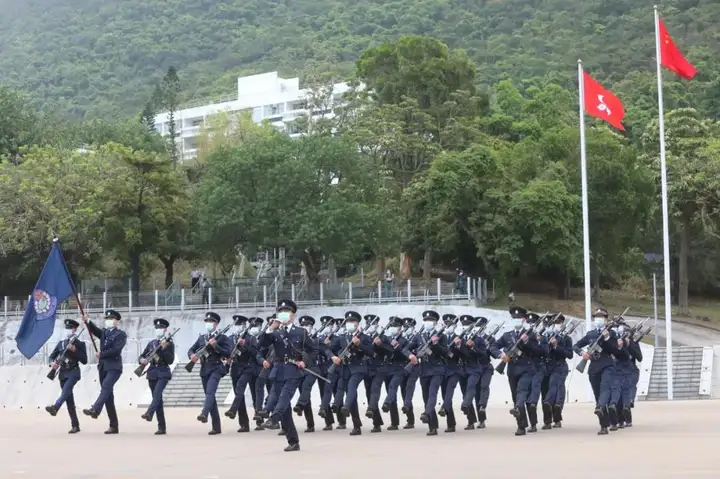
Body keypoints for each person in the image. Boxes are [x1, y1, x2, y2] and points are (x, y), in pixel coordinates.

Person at [259, 300, 318, 452]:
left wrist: (304, 361)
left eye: (287, 312)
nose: (284, 314)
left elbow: (312, 350)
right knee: (284, 407)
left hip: (293, 370)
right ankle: (293, 441)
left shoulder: (301, 332)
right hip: (278, 369)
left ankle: (273, 419)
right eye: (281, 312)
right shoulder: (276, 332)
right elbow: (262, 343)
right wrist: (270, 328)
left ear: (293, 315)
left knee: (284, 397)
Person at [489, 307, 538, 436]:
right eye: (514, 318)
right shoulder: (507, 336)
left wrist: (527, 341)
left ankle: (518, 413)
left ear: (524, 320)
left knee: (522, 391)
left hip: (527, 369)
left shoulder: (531, 334)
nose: (516, 320)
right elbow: (493, 346)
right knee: (515, 396)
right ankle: (521, 425)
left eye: (519, 318)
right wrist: (500, 355)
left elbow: (539, 350)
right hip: (512, 370)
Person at [573, 308, 621, 435]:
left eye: (601, 317)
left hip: (607, 365)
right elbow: (576, 345)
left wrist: (607, 338)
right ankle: (603, 425)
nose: (598, 320)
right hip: (593, 366)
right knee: (598, 394)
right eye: (596, 317)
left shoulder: (612, 334)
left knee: (605, 389)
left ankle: (600, 408)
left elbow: (615, 351)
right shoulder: (590, 334)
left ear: (606, 320)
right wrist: (582, 353)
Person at [326, 310, 375, 436]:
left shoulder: (364, 337)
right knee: (350, 395)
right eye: (347, 321)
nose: (349, 323)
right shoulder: (342, 338)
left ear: (357, 324)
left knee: (352, 387)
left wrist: (359, 345)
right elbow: (329, 349)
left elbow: (371, 352)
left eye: (352, 321)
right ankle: (356, 425)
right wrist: (333, 357)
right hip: (345, 368)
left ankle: (345, 407)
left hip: (359, 368)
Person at [402, 310, 448, 436]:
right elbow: (405, 349)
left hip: (437, 369)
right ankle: (432, 426)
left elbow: (445, 353)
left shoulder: (441, 336)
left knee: (432, 394)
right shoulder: (419, 336)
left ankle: (426, 414)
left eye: (431, 320)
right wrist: (411, 355)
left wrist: (436, 344)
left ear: (435, 322)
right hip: (424, 370)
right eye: (426, 320)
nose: (428, 322)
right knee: (426, 397)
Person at [82, 309, 127, 434]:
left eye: (111, 319)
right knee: (108, 396)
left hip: (114, 367)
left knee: (106, 387)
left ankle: (95, 409)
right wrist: (88, 321)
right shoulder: (104, 333)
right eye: (107, 319)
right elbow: (95, 330)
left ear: (117, 321)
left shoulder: (120, 334)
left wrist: (102, 354)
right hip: (103, 367)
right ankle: (114, 426)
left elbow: (116, 350)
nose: (108, 321)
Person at [188, 312, 233, 434]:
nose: (209, 324)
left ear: (216, 324)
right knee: (210, 397)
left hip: (216, 368)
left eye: (211, 322)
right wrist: (192, 355)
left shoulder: (222, 338)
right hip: (204, 369)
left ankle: (204, 413)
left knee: (210, 392)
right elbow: (191, 349)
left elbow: (228, 353)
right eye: (207, 322)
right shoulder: (202, 338)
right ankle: (216, 427)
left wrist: (216, 345)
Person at [45, 319, 88, 433]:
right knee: (69, 400)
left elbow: (84, 360)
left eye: (70, 328)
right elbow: (51, 356)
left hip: (73, 371)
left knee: (66, 391)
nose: (68, 330)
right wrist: (52, 363)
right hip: (63, 373)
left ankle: (55, 407)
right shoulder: (61, 343)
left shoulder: (79, 344)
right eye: (66, 328)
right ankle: (75, 425)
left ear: (75, 329)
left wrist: (74, 350)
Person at [224, 315, 263, 433]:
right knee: (238, 395)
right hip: (235, 368)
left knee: (244, 390)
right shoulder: (230, 338)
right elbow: (227, 351)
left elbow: (255, 353)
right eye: (235, 325)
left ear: (244, 326)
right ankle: (244, 424)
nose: (237, 327)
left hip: (248, 367)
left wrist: (244, 344)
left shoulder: (250, 338)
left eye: (239, 325)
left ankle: (236, 411)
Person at [139, 318, 175, 435]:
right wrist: (142, 360)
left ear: (165, 330)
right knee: (158, 400)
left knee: (157, 395)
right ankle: (161, 427)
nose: (158, 330)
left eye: (160, 328)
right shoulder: (152, 343)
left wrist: (164, 349)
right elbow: (142, 356)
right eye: (157, 328)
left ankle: (149, 413)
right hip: (152, 373)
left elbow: (170, 360)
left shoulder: (169, 343)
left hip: (163, 371)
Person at [542, 314, 573, 429]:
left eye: (555, 323)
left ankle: (557, 419)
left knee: (555, 391)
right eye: (547, 324)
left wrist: (556, 346)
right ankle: (547, 421)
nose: (550, 326)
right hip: (545, 367)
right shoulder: (542, 337)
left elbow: (569, 354)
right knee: (545, 393)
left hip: (559, 366)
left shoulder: (565, 338)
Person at [292, 315, 320, 433]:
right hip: (300, 370)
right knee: (305, 395)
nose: (305, 327)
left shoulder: (316, 340)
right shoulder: (297, 340)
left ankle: (299, 404)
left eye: (307, 325)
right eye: (302, 325)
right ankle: (310, 424)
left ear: (311, 327)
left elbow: (315, 353)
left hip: (312, 369)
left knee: (306, 387)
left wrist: (305, 361)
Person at [439, 314, 462, 433]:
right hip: (443, 370)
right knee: (445, 396)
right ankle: (451, 424)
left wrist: (458, 346)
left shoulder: (458, 338)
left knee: (449, 392)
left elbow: (464, 355)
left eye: (450, 325)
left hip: (455, 370)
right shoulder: (440, 338)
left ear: (455, 326)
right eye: (446, 324)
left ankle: (443, 408)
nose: (447, 327)